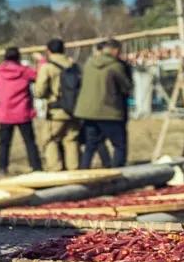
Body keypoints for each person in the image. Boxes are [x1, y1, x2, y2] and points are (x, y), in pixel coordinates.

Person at [75, 38, 132, 168]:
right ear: (115, 50)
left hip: (87, 111)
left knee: (90, 145)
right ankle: (117, 172)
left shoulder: (89, 64)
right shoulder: (116, 66)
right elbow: (126, 87)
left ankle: (83, 170)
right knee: (119, 145)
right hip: (109, 111)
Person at [0, 47, 43, 175]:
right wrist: (41, 61)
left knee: (4, 143)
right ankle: (36, 167)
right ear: (18, 58)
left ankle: (2, 167)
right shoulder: (24, 71)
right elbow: (39, 77)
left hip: (5, 113)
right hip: (23, 112)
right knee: (30, 142)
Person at [33, 38, 81, 171]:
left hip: (56, 111)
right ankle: (74, 170)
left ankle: (55, 169)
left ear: (48, 51)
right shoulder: (73, 65)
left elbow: (39, 91)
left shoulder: (47, 67)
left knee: (49, 140)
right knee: (71, 140)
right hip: (73, 109)